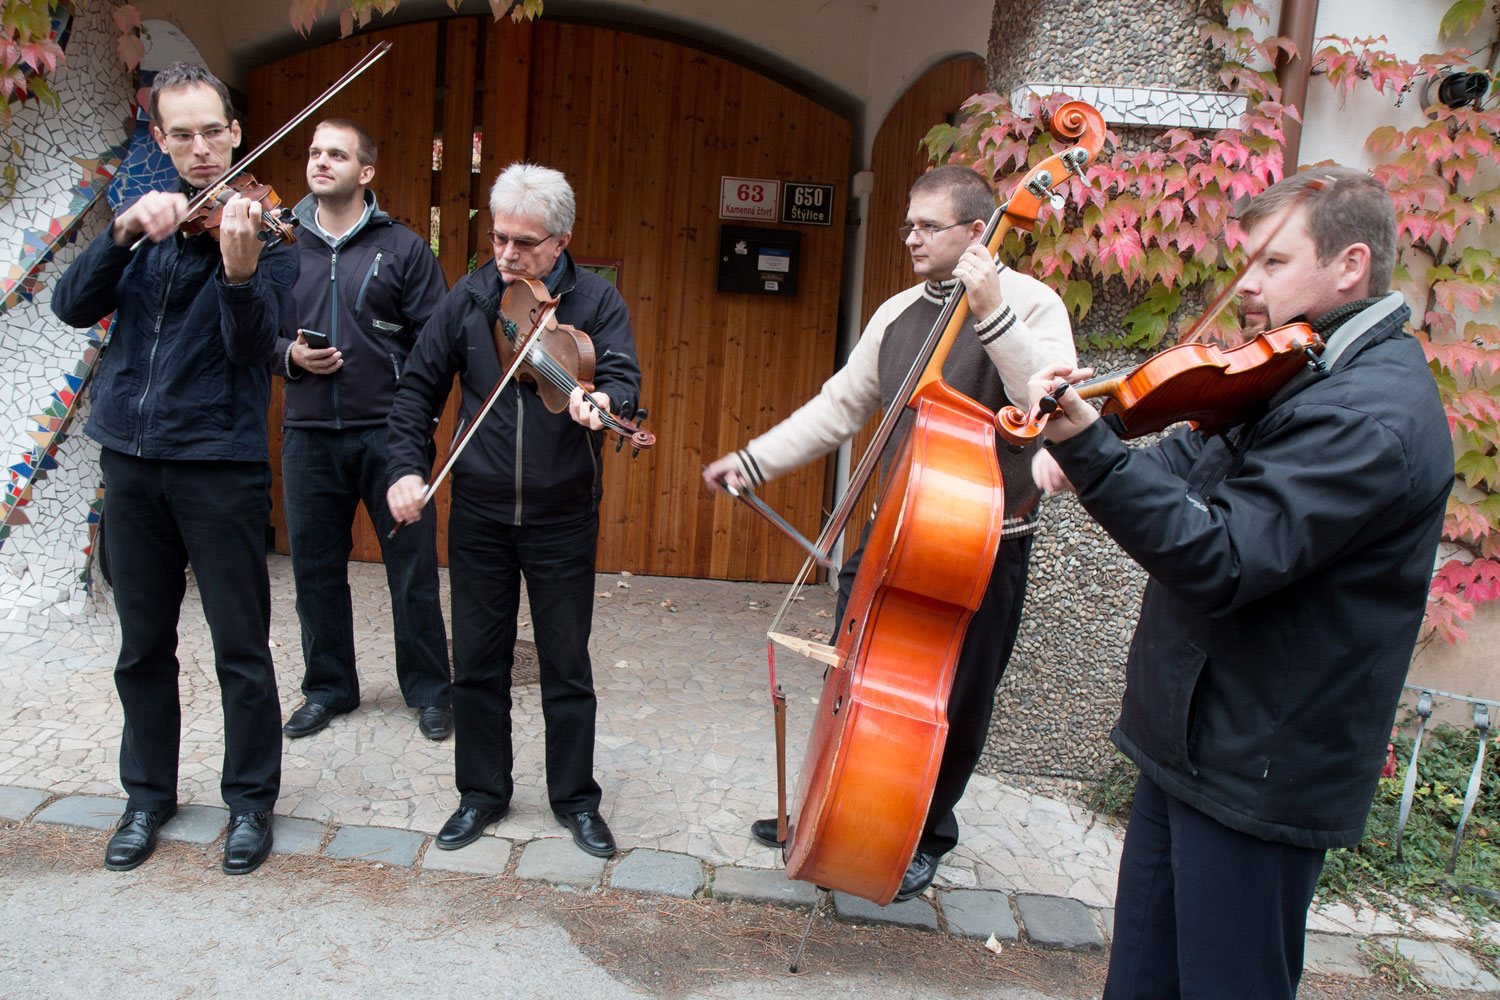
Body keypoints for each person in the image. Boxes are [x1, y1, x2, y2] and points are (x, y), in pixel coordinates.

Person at [1028, 166, 1453, 998]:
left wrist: (1097, 457)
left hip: (1261, 763)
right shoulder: (1305, 363)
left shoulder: (1369, 415)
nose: (1248, 285)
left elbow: (1222, 558)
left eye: (1272, 262)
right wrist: (1099, 447)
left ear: (1351, 265)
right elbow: (1199, 454)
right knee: (1142, 979)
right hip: (1196, 742)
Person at [703, 165, 1077, 901]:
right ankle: (832, 807)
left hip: (983, 545)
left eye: (928, 226)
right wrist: (754, 460)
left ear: (979, 232)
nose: (910, 237)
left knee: (953, 702)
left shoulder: (1035, 304)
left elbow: (1049, 403)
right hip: (892, 534)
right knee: (853, 682)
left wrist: (990, 308)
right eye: (909, 224)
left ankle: (922, 834)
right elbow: (839, 407)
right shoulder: (899, 312)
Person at [51, 63, 296, 875]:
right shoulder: (149, 221)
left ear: (236, 132)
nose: (200, 149)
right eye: (181, 135)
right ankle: (147, 797)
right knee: (142, 646)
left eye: (212, 132)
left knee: (240, 647)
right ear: (160, 138)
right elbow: (71, 306)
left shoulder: (265, 231)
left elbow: (256, 350)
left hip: (218, 463)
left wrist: (238, 275)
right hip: (130, 458)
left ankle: (250, 803)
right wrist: (121, 232)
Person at [385, 162, 641, 857]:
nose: (506, 254)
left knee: (566, 663)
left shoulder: (596, 303)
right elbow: (416, 393)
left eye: (524, 243)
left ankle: (575, 800)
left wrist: (605, 401)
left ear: (560, 242)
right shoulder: (470, 299)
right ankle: (481, 793)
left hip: (563, 513)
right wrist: (405, 469)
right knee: (476, 660)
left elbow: (622, 374)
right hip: (480, 510)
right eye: (499, 238)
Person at [274, 119, 453, 743]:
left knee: (412, 569)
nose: (321, 162)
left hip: (390, 435)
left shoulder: (404, 247)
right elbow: (248, 330)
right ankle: (328, 688)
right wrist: (289, 355)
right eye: (315, 152)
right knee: (314, 569)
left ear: (365, 171)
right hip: (307, 433)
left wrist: (417, 424)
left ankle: (431, 691)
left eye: (337, 154)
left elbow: (437, 346)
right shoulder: (280, 243)